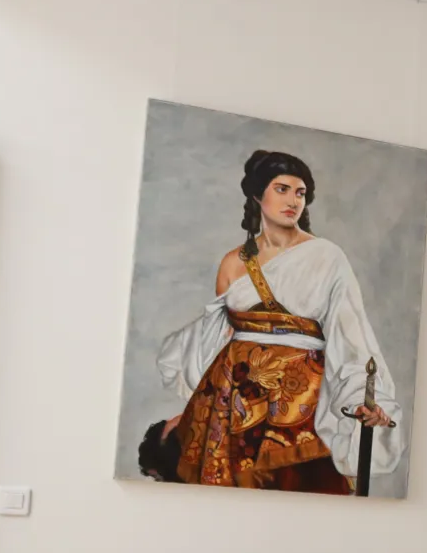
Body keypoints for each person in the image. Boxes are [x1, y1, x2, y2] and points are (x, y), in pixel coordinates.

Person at [150, 150, 400, 492]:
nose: (293, 201)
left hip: (302, 401)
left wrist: (363, 396)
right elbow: (217, 336)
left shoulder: (327, 257)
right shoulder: (232, 264)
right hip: (234, 398)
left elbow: (350, 332)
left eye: (300, 193)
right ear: (257, 194)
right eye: (281, 189)